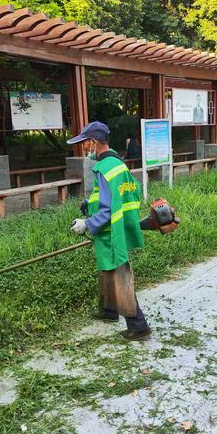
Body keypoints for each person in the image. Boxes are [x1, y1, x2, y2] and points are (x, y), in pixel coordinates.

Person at [68, 121, 151, 341]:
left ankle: (138, 325)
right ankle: (109, 310)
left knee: (120, 274)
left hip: (111, 230)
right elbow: (113, 196)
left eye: (85, 144)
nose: (84, 148)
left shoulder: (104, 168)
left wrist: (87, 223)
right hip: (117, 226)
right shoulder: (117, 163)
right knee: (106, 269)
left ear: (94, 142)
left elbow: (107, 210)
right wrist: (90, 202)